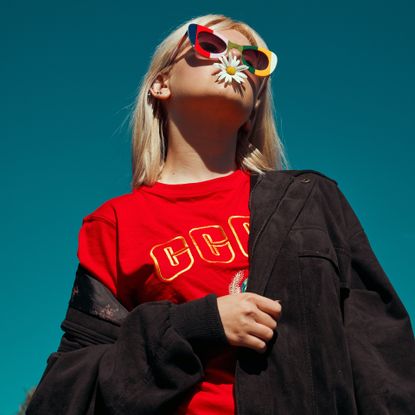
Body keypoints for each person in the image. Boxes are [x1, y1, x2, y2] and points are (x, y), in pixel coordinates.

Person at [27, 13, 415, 415]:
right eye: (210, 45)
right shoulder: (115, 223)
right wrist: (196, 324)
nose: (236, 62)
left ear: (255, 106)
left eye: (254, 59)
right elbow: (67, 391)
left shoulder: (310, 201)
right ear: (161, 83)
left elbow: (381, 355)